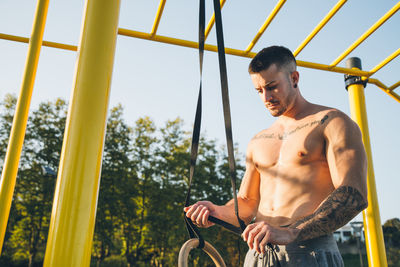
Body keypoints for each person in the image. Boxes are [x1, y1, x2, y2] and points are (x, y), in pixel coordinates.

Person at [184, 46, 368, 266]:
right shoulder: (259, 140)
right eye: (259, 90)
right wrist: (218, 211)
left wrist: (292, 232)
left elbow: (353, 195)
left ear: (294, 78)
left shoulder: (331, 122)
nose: (266, 97)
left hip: (309, 250)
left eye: (272, 87)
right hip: (259, 253)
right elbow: (246, 203)